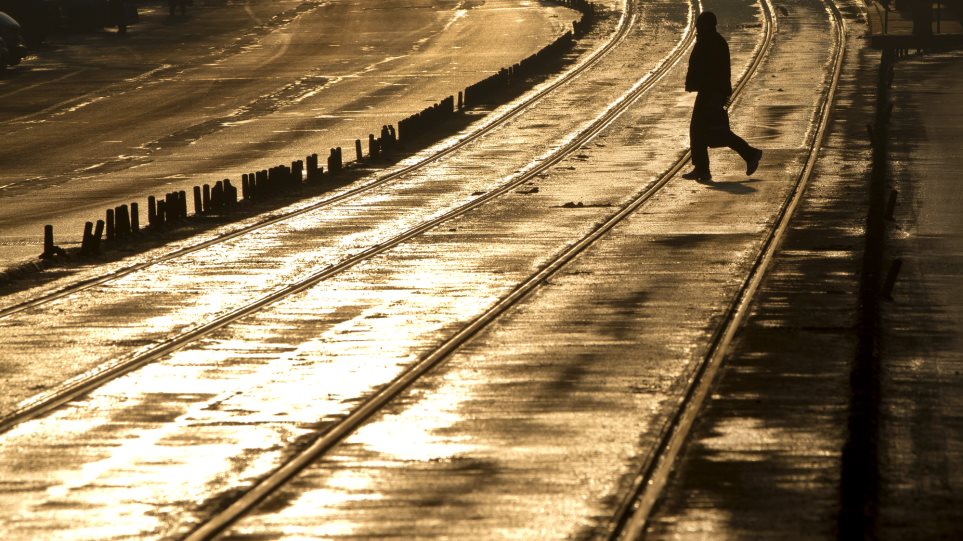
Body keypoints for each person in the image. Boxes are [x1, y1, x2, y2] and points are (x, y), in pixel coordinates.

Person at [682, 11, 762, 182]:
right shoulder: (712, 40)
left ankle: (749, 154)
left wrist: (707, 89)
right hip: (711, 91)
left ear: (706, 25)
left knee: (710, 130)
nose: (697, 27)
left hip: (712, 93)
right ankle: (703, 168)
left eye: (699, 24)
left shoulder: (711, 42)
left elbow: (706, 69)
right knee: (704, 130)